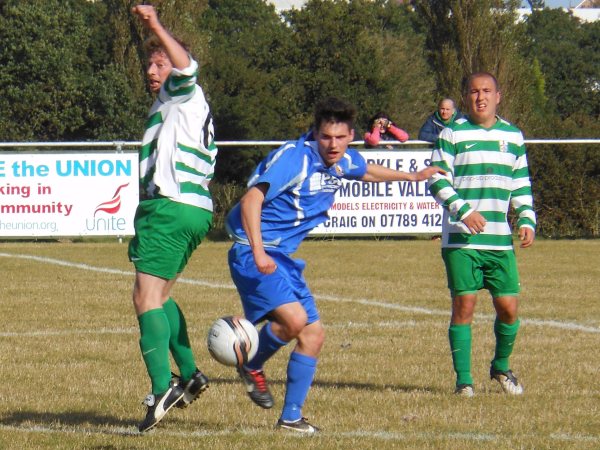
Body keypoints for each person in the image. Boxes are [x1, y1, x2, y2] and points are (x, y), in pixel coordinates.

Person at [225, 97, 445, 433]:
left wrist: (413, 177)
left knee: (313, 336)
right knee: (296, 320)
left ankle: (290, 418)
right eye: (326, 137)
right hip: (254, 250)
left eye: (341, 138)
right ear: (315, 133)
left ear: (351, 136)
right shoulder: (295, 158)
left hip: (282, 256)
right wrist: (258, 253)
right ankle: (251, 360)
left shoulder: (341, 159)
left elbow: (367, 169)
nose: (333, 145)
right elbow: (251, 199)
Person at [128, 4, 217, 432]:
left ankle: (162, 387)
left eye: (159, 61)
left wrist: (155, 25)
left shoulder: (181, 91)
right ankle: (192, 373)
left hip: (170, 205)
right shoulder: (179, 102)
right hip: (194, 209)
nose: (152, 67)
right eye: (149, 61)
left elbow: (187, 65)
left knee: (145, 299)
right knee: (160, 296)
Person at [427, 72, 536, 398]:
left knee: (509, 308)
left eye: (486, 91)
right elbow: (436, 181)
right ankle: (464, 382)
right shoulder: (452, 134)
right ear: (466, 97)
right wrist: (464, 211)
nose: (480, 97)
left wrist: (527, 218)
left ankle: (500, 366)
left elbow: (520, 183)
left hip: (499, 241)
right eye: (474, 92)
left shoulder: (513, 136)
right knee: (465, 304)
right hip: (462, 239)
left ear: (498, 96)